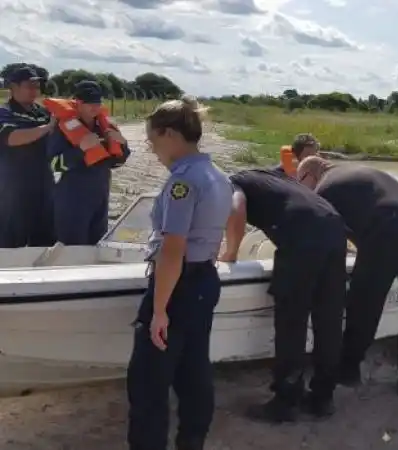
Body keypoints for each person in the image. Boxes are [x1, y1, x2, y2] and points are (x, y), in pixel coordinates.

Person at [126, 97, 233, 450]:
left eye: (152, 141)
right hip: (204, 280)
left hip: (178, 285)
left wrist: (158, 311)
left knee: (148, 382)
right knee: (193, 371)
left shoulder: (182, 183)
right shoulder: (218, 176)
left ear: (169, 134)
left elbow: (173, 249)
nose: (152, 150)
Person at [296, 156, 398, 396]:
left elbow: (325, 236)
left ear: (310, 175)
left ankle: (349, 368)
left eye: (302, 182)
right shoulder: (354, 170)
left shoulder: (324, 188)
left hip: (391, 228)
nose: (304, 189)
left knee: (365, 301)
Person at [218, 167, 346, 423]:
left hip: (301, 234)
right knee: (328, 318)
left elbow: (237, 208)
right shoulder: (272, 175)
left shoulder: (231, 182)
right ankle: (323, 398)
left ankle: (285, 403)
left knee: (292, 321)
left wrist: (230, 253)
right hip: (334, 225)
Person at [47, 80, 131, 245]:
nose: (95, 106)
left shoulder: (106, 127)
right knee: (72, 250)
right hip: (72, 200)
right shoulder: (62, 129)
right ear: (77, 103)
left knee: (96, 248)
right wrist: (80, 150)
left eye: (98, 101)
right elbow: (54, 165)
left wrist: (123, 144)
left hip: (100, 196)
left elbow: (116, 162)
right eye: (89, 102)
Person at [0, 65, 56, 248]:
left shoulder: (44, 113)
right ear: (13, 88)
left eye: (37, 86)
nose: (34, 91)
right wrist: (47, 128)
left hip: (44, 185)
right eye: (29, 86)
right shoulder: (4, 112)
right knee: (11, 244)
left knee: (44, 241)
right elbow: (12, 138)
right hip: (13, 189)